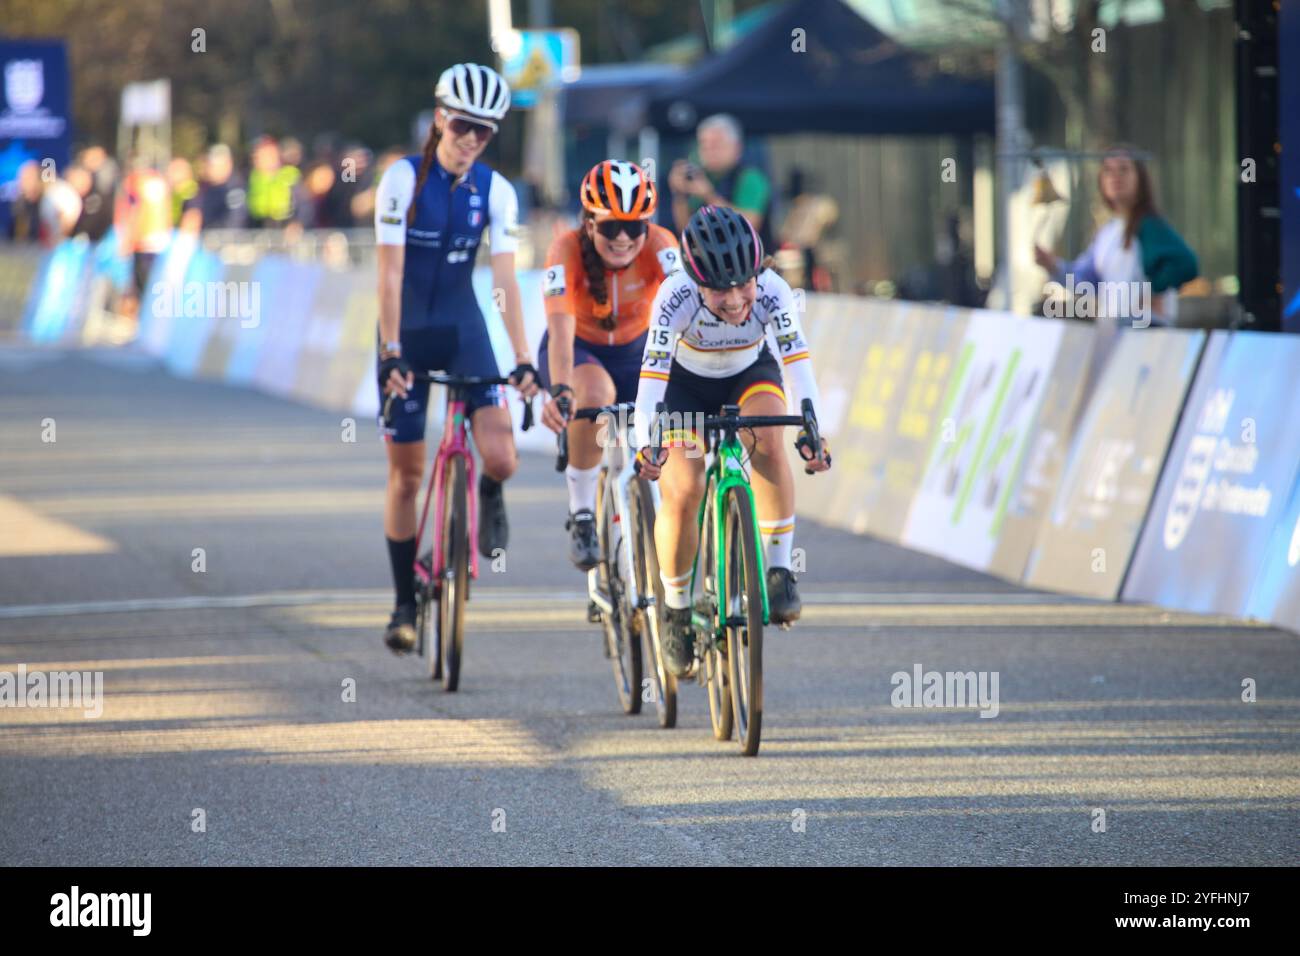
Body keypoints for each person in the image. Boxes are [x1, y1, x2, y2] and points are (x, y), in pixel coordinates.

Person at [373, 62, 540, 653]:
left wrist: (523, 358)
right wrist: (392, 350)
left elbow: (504, 282)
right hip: (407, 334)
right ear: (441, 117)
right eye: (465, 125)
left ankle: (487, 494)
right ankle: (402, 603)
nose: (472, 140)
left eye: (486, 131)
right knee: (408, 476)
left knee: (502, 455)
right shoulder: (401, 180)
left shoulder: (496, 190)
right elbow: (389, 275)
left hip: (464, 328)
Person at [633, 205, 832, 678]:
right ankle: (677, 607)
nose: (739, 298)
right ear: (697, 282)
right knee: (683, 489)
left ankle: (779, 569)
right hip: (686, 385)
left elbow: (799, 370)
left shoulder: (774, 291)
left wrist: (812, 431)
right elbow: (650, 384)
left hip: (749, 373)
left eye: (746, 282)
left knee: (767, 435)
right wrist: (648, 443)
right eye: (722, 289)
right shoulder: (673, 298)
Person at [537, 160, 682, 570]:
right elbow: (561, 329)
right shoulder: (564, 250)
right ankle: (582, 512)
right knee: (595, 394)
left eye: (634, 227)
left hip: (638, 353)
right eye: (609, 228)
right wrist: (563, 390)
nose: (623, 239)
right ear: (588, 224)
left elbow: (688, 320)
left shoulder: (661, 244)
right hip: (579, 351)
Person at [1034, 144, 1197, 325]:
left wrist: (1154, 289)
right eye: (1108, 171)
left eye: (1124, 170)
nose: (1115, 177)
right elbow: (1087, 280)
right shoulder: (1108, 232)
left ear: (1139, 178)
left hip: (1146, 330)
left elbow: (1186, 264)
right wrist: (1053, 266)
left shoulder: (1148, 226)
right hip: (1116, 331)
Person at [668, 114, 774, 255]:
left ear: (737, 147)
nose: (709, 152)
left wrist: (709, 195)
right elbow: (686, 232)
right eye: (704, 145)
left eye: (717, 145)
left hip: (751, 266)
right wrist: (679, 194)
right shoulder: (701, 177)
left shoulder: (750, 178)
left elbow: (748, 225)